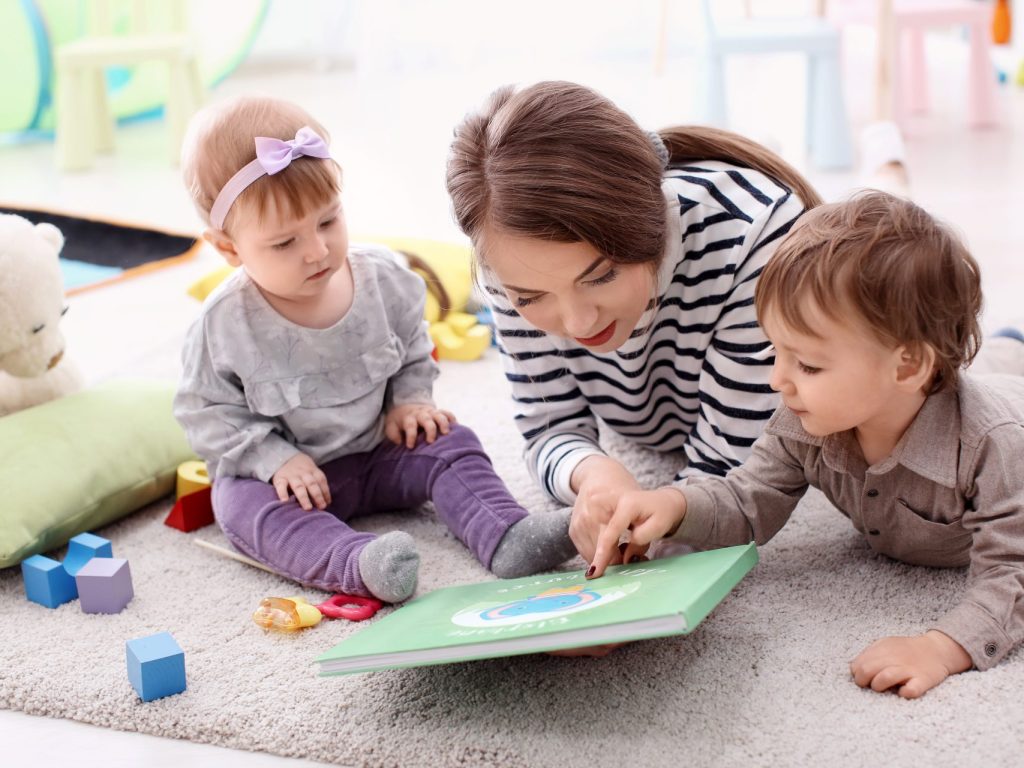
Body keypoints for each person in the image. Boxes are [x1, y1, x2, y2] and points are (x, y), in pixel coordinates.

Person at [582, 190, 1024, 698]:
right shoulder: (801, 421)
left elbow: (1013, 571)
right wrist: (674, 504)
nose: (777, 381)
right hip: (962, 379)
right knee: (995, 362)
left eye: (808, 364)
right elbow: (748, 501)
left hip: (1007, 408)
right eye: (777, 352)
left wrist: (942, 648)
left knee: (997, 374)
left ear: (906, 366)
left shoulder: (994, 448)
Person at [174, 96, 576, 603]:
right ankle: (361, 564)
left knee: (452, 440)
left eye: (327, 221)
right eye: (284, 243)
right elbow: (205, 412)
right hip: (291, 479)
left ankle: (506, 534)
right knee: (238, 505)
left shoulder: (384, 278)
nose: (317, 250)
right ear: (228, 247)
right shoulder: (223, 324)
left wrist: (410, 402)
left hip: (382, 448)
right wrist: (273, 459)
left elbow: (412, 346)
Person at [446, 80, 819, 564]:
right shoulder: (507, 257)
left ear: (651, 222)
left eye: (600, 276)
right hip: (659, 419)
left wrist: (646, 548)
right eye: (533, 297)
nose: (578, 323)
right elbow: (548, 425)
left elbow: (735, 476)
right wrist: (594, 475)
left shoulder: (756, 239)